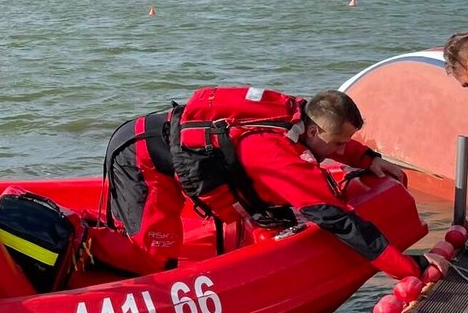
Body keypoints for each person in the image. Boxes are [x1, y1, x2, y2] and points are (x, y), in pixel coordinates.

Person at [103, 86, 420, 279]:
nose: (340, 152)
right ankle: (86, 243)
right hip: (140, 155)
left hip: (169, 144)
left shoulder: (303, 116)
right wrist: (407, 267)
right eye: (338, 145)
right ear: (311, 133)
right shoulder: (277, 154)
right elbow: (338, 219)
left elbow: (333, 136)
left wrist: (369, 158)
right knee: (153, 258)